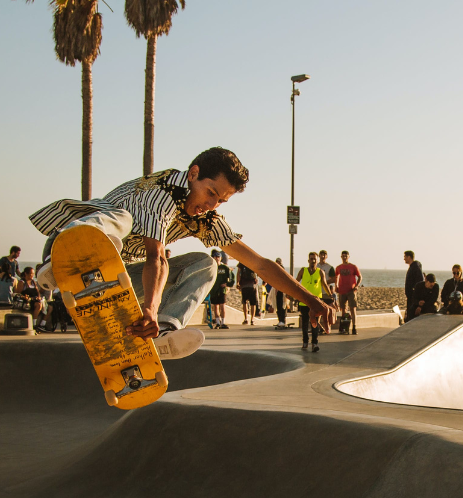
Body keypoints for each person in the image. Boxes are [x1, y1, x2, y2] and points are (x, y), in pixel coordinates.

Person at [30, 147, 333, 360]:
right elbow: (156, 258)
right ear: (193, 174)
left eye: (221, 201)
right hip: (66, 250)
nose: (211, 205)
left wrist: (311, 300)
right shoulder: (163, 192)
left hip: (111, 279)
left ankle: (162, 333)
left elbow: (260, 265)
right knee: (120, 219)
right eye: (211, 193)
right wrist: (149, 304)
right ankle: (63, 263)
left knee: (206, 265)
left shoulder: (206, 220)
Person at [295, 251, 332, 351]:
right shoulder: (303, 270)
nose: (313, 261)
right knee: (305, 322)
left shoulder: (320, 272)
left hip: (316, 301)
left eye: (315, 259)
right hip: (304, 300)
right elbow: (296, 282)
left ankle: (315, 343)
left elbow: (324, 284)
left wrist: (330, 295)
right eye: (311, 259)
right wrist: (292, 294)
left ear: (317, 260)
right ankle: (305, 341)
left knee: (315, 322)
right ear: (308, 260)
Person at [334, 250, 361, 335]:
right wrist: (336, 286)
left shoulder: (353, 267)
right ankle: (344, 328)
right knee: (343, 310)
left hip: (351, 291)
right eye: (343, 256)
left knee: (353, 309)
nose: (344, 258)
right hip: (342, 291)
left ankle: (354, 327)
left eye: (346, 256)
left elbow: (360, 277)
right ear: (341, 257)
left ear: (348, 257)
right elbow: (336, 277)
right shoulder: (338, 267)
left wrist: (356, 286)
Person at [208, 249, 234, 329]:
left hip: (222, 290)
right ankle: (218, 322)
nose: (217, 258)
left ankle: (223, 322)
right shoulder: (211, 267)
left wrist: (227, 284)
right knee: (215, 306)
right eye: (215, 257)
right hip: (214, 290)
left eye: (218, 257)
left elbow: (231, 277)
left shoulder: (225, 268)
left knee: (222, 306)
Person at [403, 251, 424, 322]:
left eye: (405, 257)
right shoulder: (412, 267)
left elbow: (419, 282)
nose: (404, 259)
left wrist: (414, 293)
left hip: (413, 297)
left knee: (411, 316)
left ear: (409, 257)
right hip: (410, 297)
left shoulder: (415, 268)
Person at [237, 261, 259, 325]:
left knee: (246, 302)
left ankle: (247, 319)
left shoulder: (242, 262)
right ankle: (251, 319)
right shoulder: (252, 262)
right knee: (252, 303)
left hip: (247, 284)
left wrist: (238, 282)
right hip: (250, 284)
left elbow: (238, 273)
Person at [273, 257, 288, 328]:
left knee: (282, 305)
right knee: (279, 305)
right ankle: (280, 320)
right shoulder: (276, 269)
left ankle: (282, 320)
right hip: (278, 290)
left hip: (281, 290)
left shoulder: (281, 269)